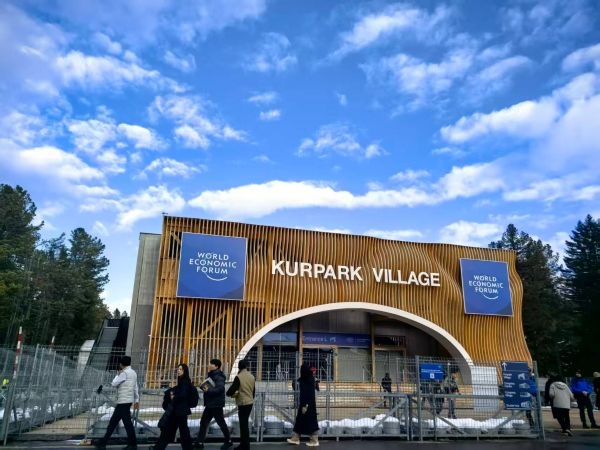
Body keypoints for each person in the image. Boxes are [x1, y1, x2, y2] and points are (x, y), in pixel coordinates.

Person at [95, 355, 139, 450]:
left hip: (122, 402)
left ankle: (132, 445)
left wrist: (117, 374)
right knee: (115, 423)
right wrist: (136, 400)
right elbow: (136, 387)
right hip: (128, 401)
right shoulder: (133, 373)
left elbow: (114, 383)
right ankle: (103, 442)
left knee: (123, 424)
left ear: (121, 364)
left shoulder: (124, 373)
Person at [151, 363, 197, 450]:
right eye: (178, 369)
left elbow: (183, 394)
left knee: (170, 430)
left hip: (179, 410)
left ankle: (158, 448)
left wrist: (173, 396)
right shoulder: (182, 381)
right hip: (180, 410)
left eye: (181, 369)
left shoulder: (185, 381)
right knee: (181, 431)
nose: (178, 371)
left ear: (185, 371)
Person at [194, 358, 234, 450]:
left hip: (216, 404)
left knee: (220, 423)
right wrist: (204, 386)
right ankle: (199, 442)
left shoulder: (219, 377)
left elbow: (220, 389)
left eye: (211, 364)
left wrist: (207, 389)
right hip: (211, 404)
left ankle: (228, 441)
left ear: (216, 366)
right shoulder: (212, 375)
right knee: (204, 422)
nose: (209, 365)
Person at [287, 363, 319, 447]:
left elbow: (308, 393)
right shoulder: (306, 379)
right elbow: (299, 381)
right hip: (305, 403)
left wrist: (305, 405)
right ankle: (295, 438)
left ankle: (314, 440)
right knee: (300, 420)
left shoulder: (308, 380)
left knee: (311, 421)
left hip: (308, 404)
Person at [226, 359, 255, 450]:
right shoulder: (251, 376)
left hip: (242, 403)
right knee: (244, 425)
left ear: (239, 367)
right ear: (247, 366)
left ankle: (244, 446)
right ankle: (245, 445)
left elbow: (230, 391)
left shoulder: (239, 377)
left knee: (243, 426)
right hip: (250, 402)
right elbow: (253, 391)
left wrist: (233, 394)